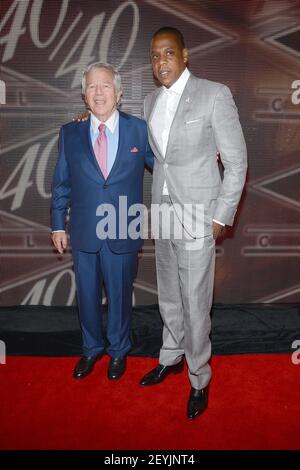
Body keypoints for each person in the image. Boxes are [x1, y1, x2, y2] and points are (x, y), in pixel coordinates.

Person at [139, 27, 247, 419]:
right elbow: (158, 160)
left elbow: (236, 162)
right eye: (154, 56)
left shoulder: (214, 94)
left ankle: (199, 376)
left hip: (199, 215)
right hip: (163, 212)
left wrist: (221, 215)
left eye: (168, 53)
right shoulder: (149, 101)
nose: (160, 62)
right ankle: (171, 356)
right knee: (168, 291)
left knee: (196, 301)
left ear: (185, 54)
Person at [51, 62, 153, 381]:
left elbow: (166, 166)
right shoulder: (70, 133)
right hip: (83, 232)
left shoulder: (139, 129)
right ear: (84, 94)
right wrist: (57, 224)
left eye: (105, 85)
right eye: (92, 86)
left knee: (121, 296)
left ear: (119, 93)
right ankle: (91, 349)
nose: (99, 92)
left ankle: (118, 351)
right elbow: (61, 184)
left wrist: (204, 156)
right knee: (87, 295)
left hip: (124, 228)